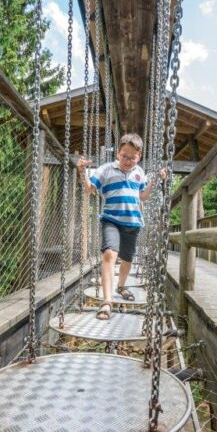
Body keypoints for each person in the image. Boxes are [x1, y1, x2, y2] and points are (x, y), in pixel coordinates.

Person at [77, 133, 166, 320]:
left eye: (132, 158)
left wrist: (155, 181)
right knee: (109, 254)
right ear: (118, 153)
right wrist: (82, 171)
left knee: (127, 260)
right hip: (111, 219)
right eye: (124, 156)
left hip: (132, 223)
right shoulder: (106, 169)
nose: (128, 161)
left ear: (139, 157)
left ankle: (121, 286)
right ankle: (107, 301)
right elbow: (89, 189)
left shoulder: (139, 172)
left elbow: (143, 196)